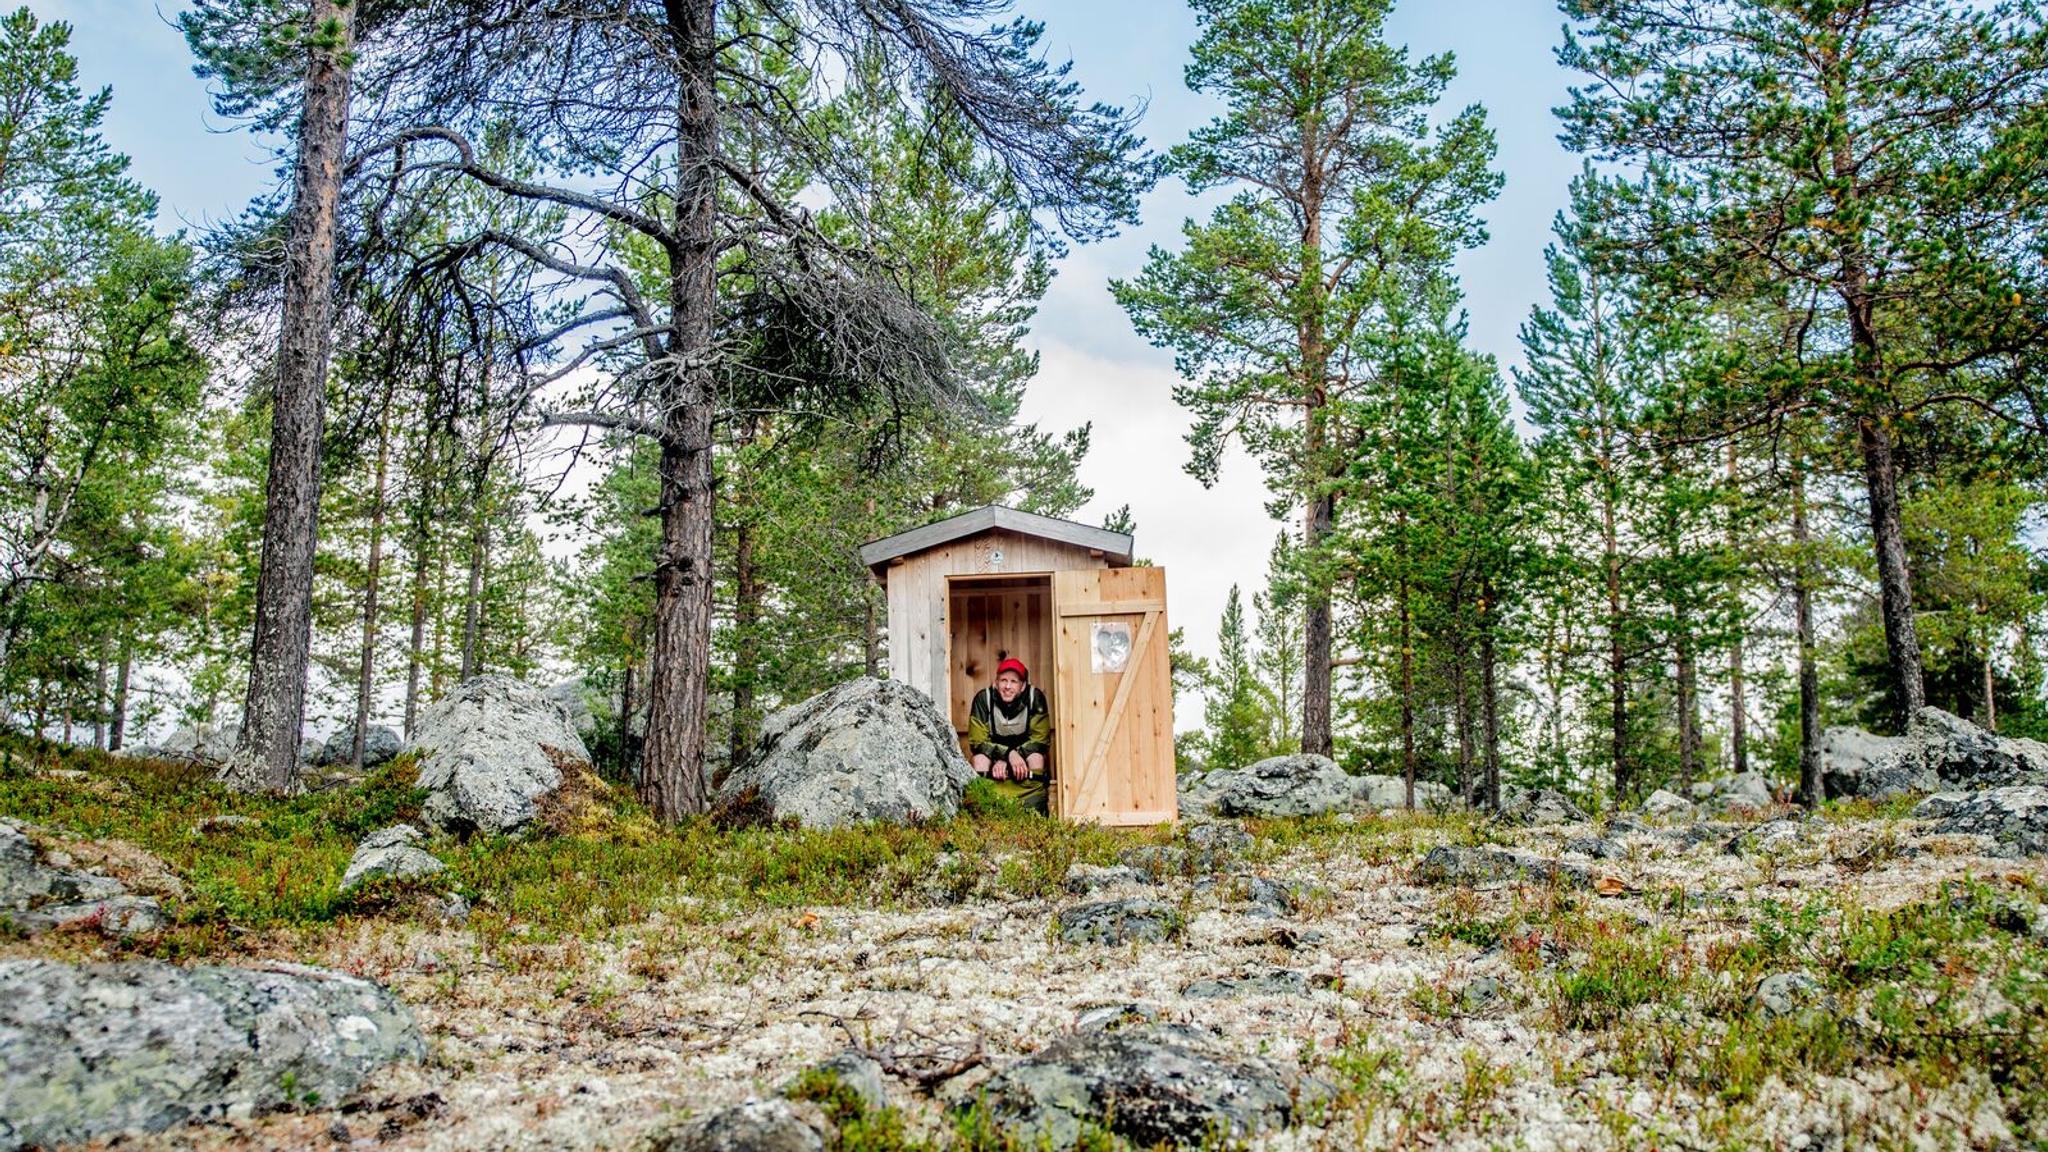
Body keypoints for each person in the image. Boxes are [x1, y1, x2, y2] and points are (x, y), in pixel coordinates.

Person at [968, 658, 1051, 808]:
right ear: (996, 683)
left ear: (1023, 686)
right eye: (1003, 680)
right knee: (979, 759)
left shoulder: (1034, 698)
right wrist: (1007, 755)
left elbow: (1040, 741)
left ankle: (1033, 808)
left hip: (1024, 759)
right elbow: (977, 742)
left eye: (1014, 681)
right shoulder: (983, 699)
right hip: (994, 759)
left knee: (1037, 758)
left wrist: (1013, 756)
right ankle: (984, 807)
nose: (1007, 686)